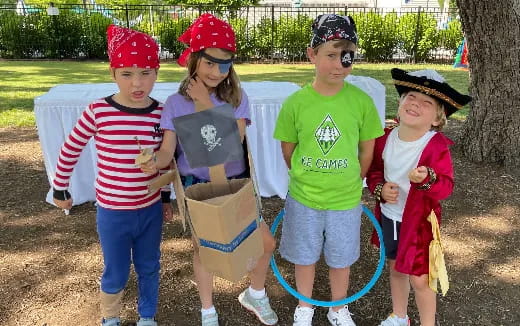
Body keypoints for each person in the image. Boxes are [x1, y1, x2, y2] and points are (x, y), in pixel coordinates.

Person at [140, 13, 278, 326]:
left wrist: (204, 102)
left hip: (234, 184)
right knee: (206, 250)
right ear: (194, 62)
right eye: (210, 63)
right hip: (197, 187)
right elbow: (167, 151)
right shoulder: (175, 103)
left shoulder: (237, 98)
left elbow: (231, 142)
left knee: (264, 242)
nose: (218, 72)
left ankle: (255, 294)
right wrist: (154, 162)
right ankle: (208, 311)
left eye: (225, 64)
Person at [52, 24, 171, 326]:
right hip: (113, 211)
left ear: (157, 72)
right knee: (115, 268)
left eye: (146, 72)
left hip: (150, 208)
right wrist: (60, 187)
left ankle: (147, 316)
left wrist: (166, 197)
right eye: (127, 74)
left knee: (149, 264)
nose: (137, 83)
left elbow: (169, 161)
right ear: (113, 73)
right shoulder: (99, 111)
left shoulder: (161, 113)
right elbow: (71, 147)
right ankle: (110, 316)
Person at [273, 14, 384, 326]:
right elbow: (288, 149)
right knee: (304, 256)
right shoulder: (296, 103)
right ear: (312, 54)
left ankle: (338, 308)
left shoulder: (361, 102)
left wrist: (354, 178)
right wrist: (305, 175)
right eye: (331, 55)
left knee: (341, 257)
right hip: (305, 197)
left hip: (345, 199)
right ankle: (305, 306)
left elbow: (367, 148)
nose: (339, 65)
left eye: (346, 57)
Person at [366, 68, 471, 326]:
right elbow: (374, 172)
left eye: (427, 103)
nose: (415, 104)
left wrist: (427, 179)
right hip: (390, 217)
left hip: (420, 225)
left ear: (437, 118)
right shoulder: (384, 138)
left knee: (421, 279)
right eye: (410, 96)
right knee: (395, 267)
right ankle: (400, 316)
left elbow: (445, 187)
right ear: (400, 103)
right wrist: (380, 188)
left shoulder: (435, 146)